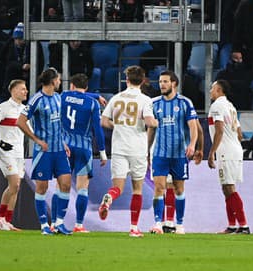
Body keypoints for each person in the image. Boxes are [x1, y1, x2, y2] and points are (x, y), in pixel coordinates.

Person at [98, 66, 158, 237]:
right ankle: (133, 228)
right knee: (137, 189)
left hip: (118, 148)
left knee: (117, 187)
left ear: (127, 80)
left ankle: (109, 198)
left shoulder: (116, 98)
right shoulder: (145, 100)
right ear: (143, 80)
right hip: (137, 149)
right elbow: (149, 122)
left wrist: (116, 126)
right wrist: (156, 123)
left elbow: (103, 121)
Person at [16, 67, 73, 235]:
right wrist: (36, 140)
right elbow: (20, 121)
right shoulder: (37, 100)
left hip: (59, 150)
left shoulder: (58, 98)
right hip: (44, 152)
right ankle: (44, 226)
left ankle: (59, 223)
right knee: (42, 187)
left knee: (66, 184)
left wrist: (62, 142)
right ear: (53, 80)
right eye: (59, 79)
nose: (60, 82)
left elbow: (58, 124)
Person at [147, 70, 199, 234]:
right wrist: (147, 151)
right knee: (159, 188)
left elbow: (193, 126)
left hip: (179, 155)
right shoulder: (154, 103)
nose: (162, 84)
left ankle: (180, 224)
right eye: (160, 82)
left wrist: (192, 144)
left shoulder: (185, 103)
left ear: (174, 83)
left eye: (165, 82)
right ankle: (157, 223)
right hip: (160, 154)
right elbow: (151, 129)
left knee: (179, 189)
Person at [57, 73, 107, 233]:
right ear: (86, 87)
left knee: (61, 186)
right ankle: (79, 225)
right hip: (84, 148)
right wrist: (103, 152)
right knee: (83, 187)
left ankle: (57, 222)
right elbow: (97, 129)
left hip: (64, 146)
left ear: (71, 85)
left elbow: (74, 95)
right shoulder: (92, 104)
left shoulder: (63, 96)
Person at [207, 80, 250, 234]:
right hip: (234, 150)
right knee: (226, 188)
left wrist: (212, 152)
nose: (210, 90)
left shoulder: (217, 106)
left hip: (226, 151)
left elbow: (219, 131)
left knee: (229, 187)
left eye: (212, 88)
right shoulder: (230, 106)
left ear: (219, 90)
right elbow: (239, 133)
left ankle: (243, 226)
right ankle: (232, 226)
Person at [0, 79, 28, 231]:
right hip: (6, 151)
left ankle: (7, 221)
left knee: (15, 187)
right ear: (14, 91)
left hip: (19, 152)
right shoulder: (3, 107)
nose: (25, 91)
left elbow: (29, 130)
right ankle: (0, 218)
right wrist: (0, 142)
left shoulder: (25, 109)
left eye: (25, 89)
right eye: (23, 89)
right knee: (15, 183)